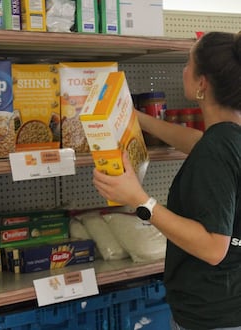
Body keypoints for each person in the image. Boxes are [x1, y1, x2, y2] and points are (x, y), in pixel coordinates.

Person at [92, 31, 241, 330]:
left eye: (188, 62)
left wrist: (139, 200)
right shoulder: (228, 136)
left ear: (202, 83)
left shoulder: (216, 150)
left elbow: (213, 248)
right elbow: (198, 141)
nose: (183, 69)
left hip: (212, 316)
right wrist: (135, 118)